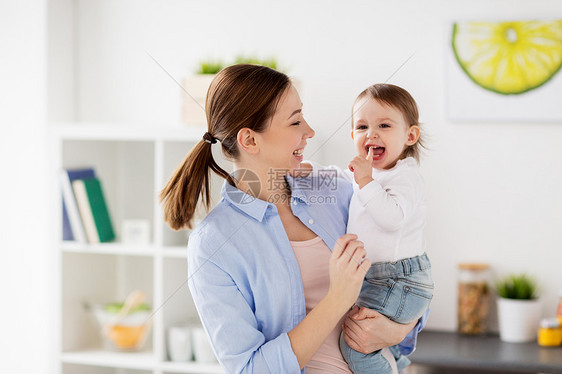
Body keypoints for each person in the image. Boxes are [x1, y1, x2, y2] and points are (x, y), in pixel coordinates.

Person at [160, 65, 422, 373]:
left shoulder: (336, 189)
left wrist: (399, 330)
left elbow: (408, 268)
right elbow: (250, 368)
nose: (309, 131)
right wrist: (337, 299)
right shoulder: (213, 245)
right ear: (250, 141)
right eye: (295, 120)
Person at [326, 83, 433, 374]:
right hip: (380, 278)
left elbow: (393, 218)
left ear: (410, 135)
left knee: (356, 345)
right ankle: (394, 363)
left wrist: (364, 181)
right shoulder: (368, 175)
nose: (371, 134)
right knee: (368, 338)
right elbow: (338, 179)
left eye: (384, 125)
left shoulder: (405, 176)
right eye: (362, 127)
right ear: (352, 136)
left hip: (399, 278)